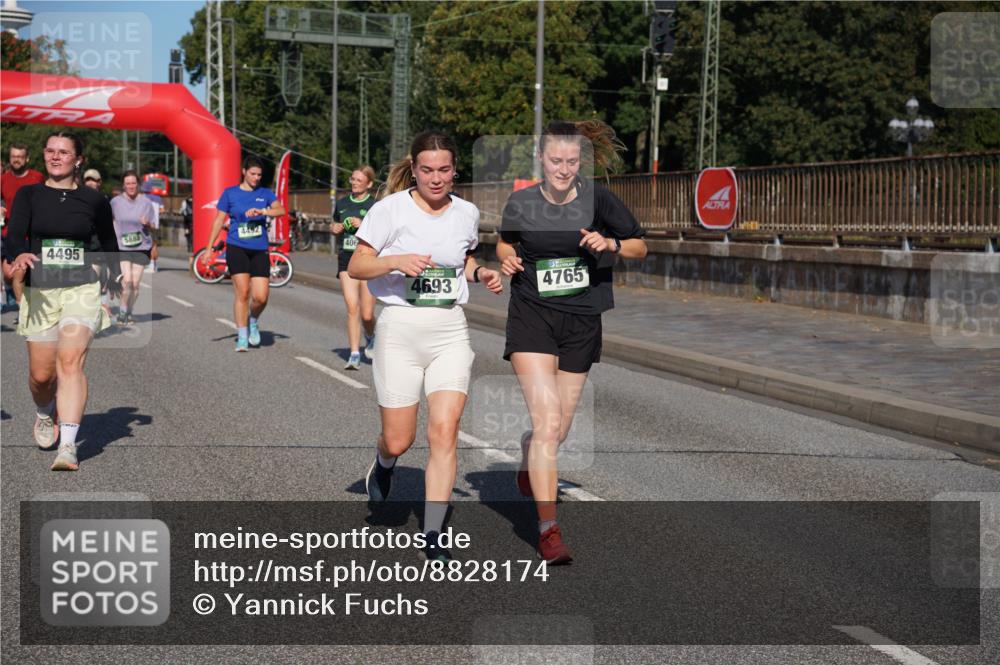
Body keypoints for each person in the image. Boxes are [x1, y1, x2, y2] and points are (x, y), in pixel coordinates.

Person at [497, 121, 648, 563]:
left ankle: (530, 453)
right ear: (541, 160)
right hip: (532, 317)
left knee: (556, 430)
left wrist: (612, 242)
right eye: (555, 160)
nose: (563, 169)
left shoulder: (598, 198)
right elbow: (504, 244)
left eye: (571, 161)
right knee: (548, 424)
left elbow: (641, 246)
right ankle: (548, 530)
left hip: (582, 320)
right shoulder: (522, 201)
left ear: (580, 161)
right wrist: (507, 262)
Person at [349, 130, 503, 562]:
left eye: (444, 170)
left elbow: (463, 259)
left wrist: (480, 274)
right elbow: (359, 264)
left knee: (444, 431)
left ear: (455, 171)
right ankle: (384, 463)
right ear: (413, 170)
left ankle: (433, 533)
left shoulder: (467, 213)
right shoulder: (389, 210)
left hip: (449, 330)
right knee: (400, 439)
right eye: (427, 170)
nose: (436, 179)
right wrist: (396, 260)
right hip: (400, 328)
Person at [5, 132, 121, 471]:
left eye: (64, 152)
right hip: (41, 288)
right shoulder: (30, 194)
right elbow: (15, 233)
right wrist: (18, 254)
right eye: (50, 151)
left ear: (78, 159)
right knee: (42, 376)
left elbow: (106, 241)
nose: (56, 157)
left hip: (80, 287)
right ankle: (45, 413)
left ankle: (68, 446)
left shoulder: (94, 200)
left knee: (70, 361)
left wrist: (111, 275)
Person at [203, 156, 285, 352]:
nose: (256, 178)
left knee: (261, 297)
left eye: (259, 175)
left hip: (259, 249)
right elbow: (218, 220)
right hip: (237, 247)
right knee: (243, 293)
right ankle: (242, 336)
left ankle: (253, 320)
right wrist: (208, 249)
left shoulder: (265, 193)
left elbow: (280, 210)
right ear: (244, 172)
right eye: (252, 174)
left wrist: (264, 211)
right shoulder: (230, 194)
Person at [331, 165, 378, 369]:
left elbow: (383, 233)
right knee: (352, 307)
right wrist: (335, 228)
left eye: (359, 180)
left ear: (369, 183)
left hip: (368, 260)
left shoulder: (375, 206)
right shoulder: (341, 204)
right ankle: (354, 354)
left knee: (367, 314)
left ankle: (371, 336)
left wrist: (364, 224)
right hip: (346, 260)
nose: (354, 183)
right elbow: (334, 225)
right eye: (353, 179)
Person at [110, 171, 157, 325]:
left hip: (142, 246)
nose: (131, 186)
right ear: (124, 185)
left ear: (138, 185)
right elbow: (108, 221)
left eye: (133, 183)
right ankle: (122, 312)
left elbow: (154, 226)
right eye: (128, 183)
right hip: (122, 246)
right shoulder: (115, 202)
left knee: (135, 285)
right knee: (128, 281)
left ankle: (128, 312)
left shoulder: (146, 203)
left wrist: (148, 224)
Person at [2, 143, 45, 309]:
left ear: (27, 159)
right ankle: (16, 293)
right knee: (8, 274)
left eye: (20, 157)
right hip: (8, 232)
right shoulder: (3, 179)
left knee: (20, 271)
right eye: (13, 157)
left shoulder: (37, 177)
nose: (16, 160)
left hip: (30, 234)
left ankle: (24, 310)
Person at [180, 196, 194, 273]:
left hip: (189, 226)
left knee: (190, 246)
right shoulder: (199, 200)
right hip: (198, 226)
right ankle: (194, 266)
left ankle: (191, 266)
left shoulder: (185, 202)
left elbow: (182, 212)